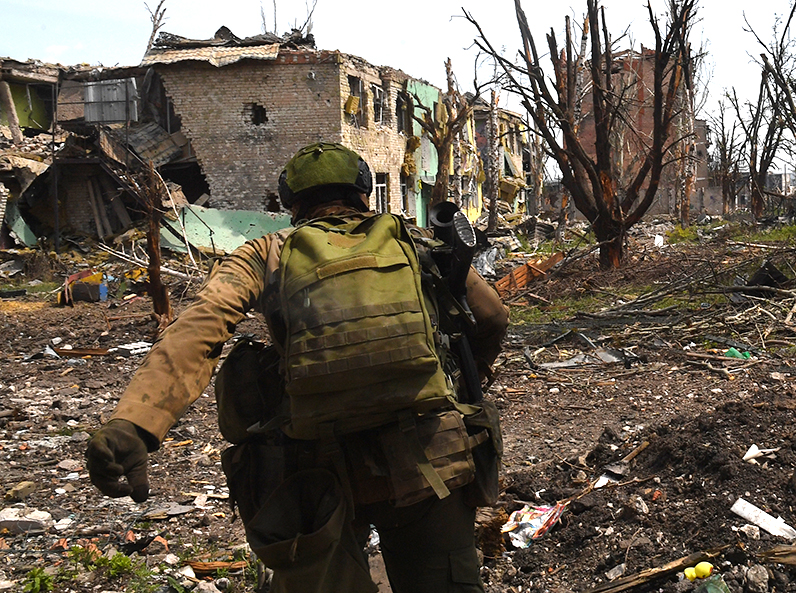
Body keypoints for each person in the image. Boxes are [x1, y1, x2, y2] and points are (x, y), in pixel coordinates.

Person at [86, 142, 508, 593]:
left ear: (292, 203)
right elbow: (493, 316)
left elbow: (199, 329)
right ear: (364, 192)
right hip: (430, 460)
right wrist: (471, 371)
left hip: (317, 473)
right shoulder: (416, 240)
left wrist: (135, 423)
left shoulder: (264, 253)